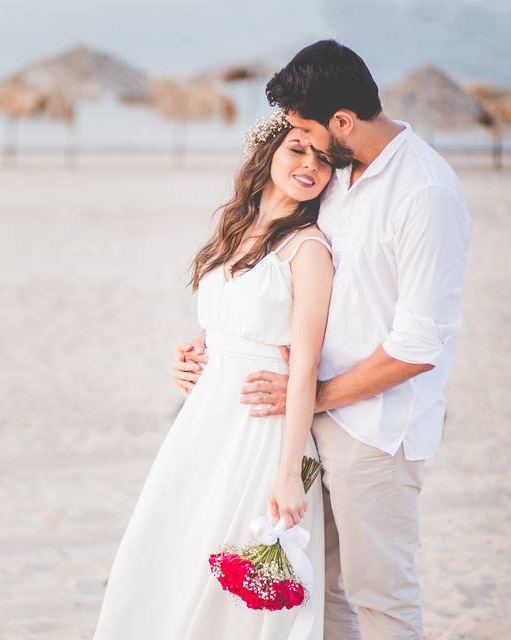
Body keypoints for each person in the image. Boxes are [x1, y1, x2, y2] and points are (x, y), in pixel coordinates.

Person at [173, 40, 471, 640]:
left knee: (380, 596)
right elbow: (278, 278)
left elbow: (418, 346)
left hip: (376, 429)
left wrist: (308, 395)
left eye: (307, 128)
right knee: (318, 593)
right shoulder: (336, 175)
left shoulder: (424, 193)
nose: (301, 143)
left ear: (342, 122)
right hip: (305, 419)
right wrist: (218, 348)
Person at [93, 111, 335, 639]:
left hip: (259, 429)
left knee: (236, 583)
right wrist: (191, 356)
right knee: (174, 549)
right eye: (298, 149)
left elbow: (305, 364)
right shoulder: (235, 230)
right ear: (269, 153)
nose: (310, 166)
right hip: (204, 422)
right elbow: (227, 321)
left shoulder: (308, 248)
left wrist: (289, 471)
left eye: (323, 158)